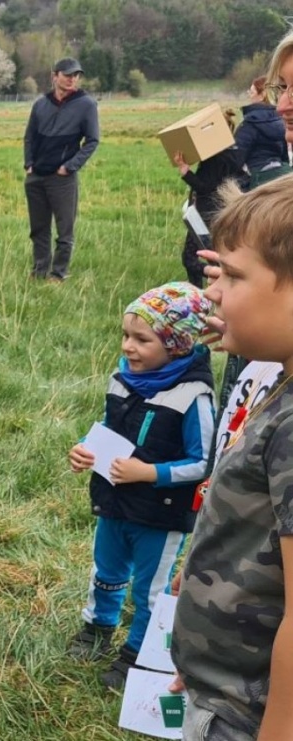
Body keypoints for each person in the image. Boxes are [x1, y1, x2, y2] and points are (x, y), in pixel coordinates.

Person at [170, 178, 293, 741]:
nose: (212, 294)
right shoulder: (279, 382)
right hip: (231, 694)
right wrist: (208, 662)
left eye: (234, 276)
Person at [66, 282, 214, 690]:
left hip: (160, 512)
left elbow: (203, 462)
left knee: (150, 588)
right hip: (114, 500)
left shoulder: (193, 397)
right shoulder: (122, 379)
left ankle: (138, 654)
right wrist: (85, 450)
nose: (128, 347)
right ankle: (97, 626)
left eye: (142, 339)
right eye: (126, 335)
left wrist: (149, 473)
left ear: (178, 344)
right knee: (106, 569)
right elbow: (107, 427)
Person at [23, 57, 100, 282]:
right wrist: (28, 164)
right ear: (54, 76)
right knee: (38, 229)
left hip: (62, 179)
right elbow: (29, 137)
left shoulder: (86, 104)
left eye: (76, 75)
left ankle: (58, 273)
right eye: (67, 75)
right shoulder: (40, 104)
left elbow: (92, 140)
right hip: (36, 176)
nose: (72, 79)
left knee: (64, 231)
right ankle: (39, 271)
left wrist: (69, 167)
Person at [172, 110, 247, 287]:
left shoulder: (215, 157)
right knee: (211, 254)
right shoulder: (233, 151)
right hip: (222, 211)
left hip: (206, 214)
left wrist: (185, 171)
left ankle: (202, 291)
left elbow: (205, 186)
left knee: (191, 259)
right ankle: (211, 287)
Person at [236, 76, 290, 189]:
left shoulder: (249, 124)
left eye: (251, 92)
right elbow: (285, 156)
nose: (249, 95)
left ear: (262, 95)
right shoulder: (282, 121)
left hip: (257, 178)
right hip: (282, 175)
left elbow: (235, 161)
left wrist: (245, 186)